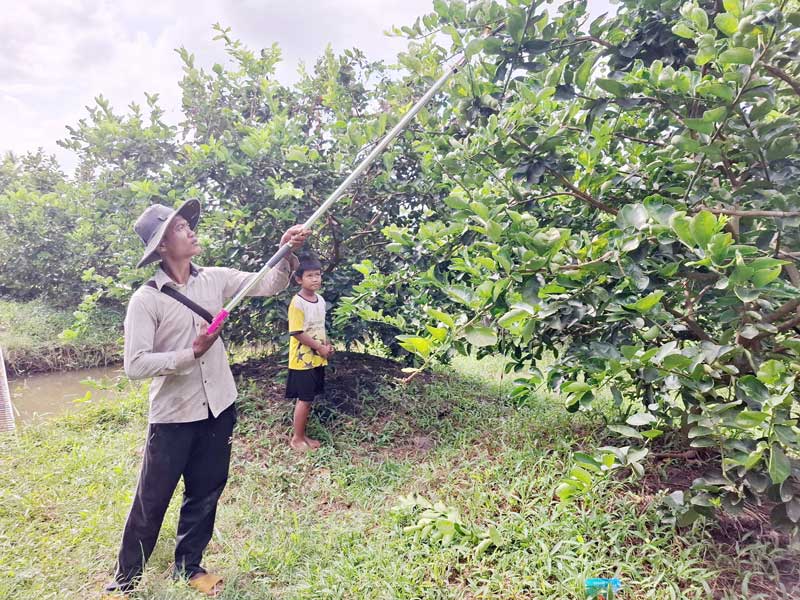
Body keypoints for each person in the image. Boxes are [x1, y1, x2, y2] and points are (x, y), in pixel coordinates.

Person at [103, 199, 309, 597]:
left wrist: (287, 251)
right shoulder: (146, 300)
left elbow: (267, 283)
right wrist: (190, 354)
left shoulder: (215, 278)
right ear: (162, 245)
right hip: (173, 415)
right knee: (152, 499)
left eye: (187, 225)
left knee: (207, 490)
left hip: (219, 407)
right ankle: (125, 580)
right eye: (181, 228)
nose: (191, 231)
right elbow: (135, 364)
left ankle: (190, 566)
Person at [285, 256, 333, 451]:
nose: (315, 279)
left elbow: (320, 326)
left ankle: (303, 435)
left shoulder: (320, 300)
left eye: (318, 275)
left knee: (309, 398)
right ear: (299, 279)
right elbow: (297, 332)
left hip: (317, 359)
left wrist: (328, 345)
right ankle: (297, 438)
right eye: (310, 276)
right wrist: (319, 348)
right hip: (302, 361)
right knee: (304, 400)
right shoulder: (297, 303)